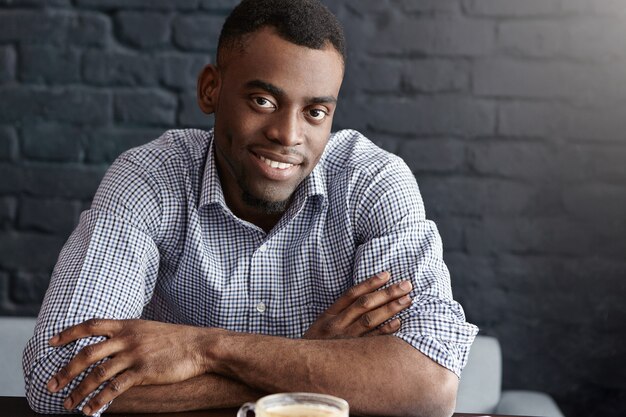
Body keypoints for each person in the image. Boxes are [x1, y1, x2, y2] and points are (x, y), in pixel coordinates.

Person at [23, 1, 478, 416]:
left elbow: (431, 387)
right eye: (263, 101)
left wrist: (206, 349)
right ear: (210, 90)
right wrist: (305, 358)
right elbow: (57, 379)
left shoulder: (371, 182)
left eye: (315, 112)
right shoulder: (151, 179)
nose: (288, 133)